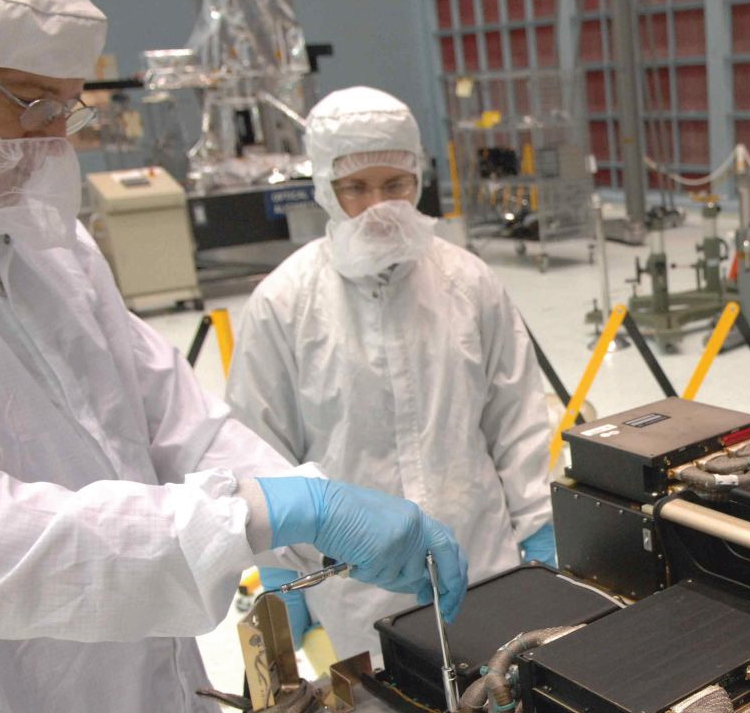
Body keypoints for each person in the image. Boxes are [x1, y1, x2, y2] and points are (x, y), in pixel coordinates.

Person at [0, 0, 468, 713]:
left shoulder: (50, 250)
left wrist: (308, 513)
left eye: (67, 110)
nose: (55, 143)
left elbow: (175, 415)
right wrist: (253, 516)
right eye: (30, 105)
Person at [226, 86, 554, 661]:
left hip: (484, 563)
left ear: (418, 181)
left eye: (394, 185)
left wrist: (539, 529)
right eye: (356, 187)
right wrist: (281, 573)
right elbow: (260, 445)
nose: (378, 205)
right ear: (327, 189)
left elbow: (518, 418)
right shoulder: (284, 302)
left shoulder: (469, 283)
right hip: (354, 587)